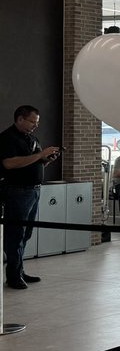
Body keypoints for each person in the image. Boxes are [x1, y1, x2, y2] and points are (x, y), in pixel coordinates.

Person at [0, 106, 60, 290]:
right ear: (19, 119)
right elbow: (9, 163)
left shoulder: (32, 138)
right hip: (17, 191)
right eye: (32, 121)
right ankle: (13, 276)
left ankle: (19, 270)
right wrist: (40, 155)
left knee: (26, 234)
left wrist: (47, 159)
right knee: (15, 234)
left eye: (37, 122)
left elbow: (34, 162)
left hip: (33, 191)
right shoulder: (7, 138)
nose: (36, 125)